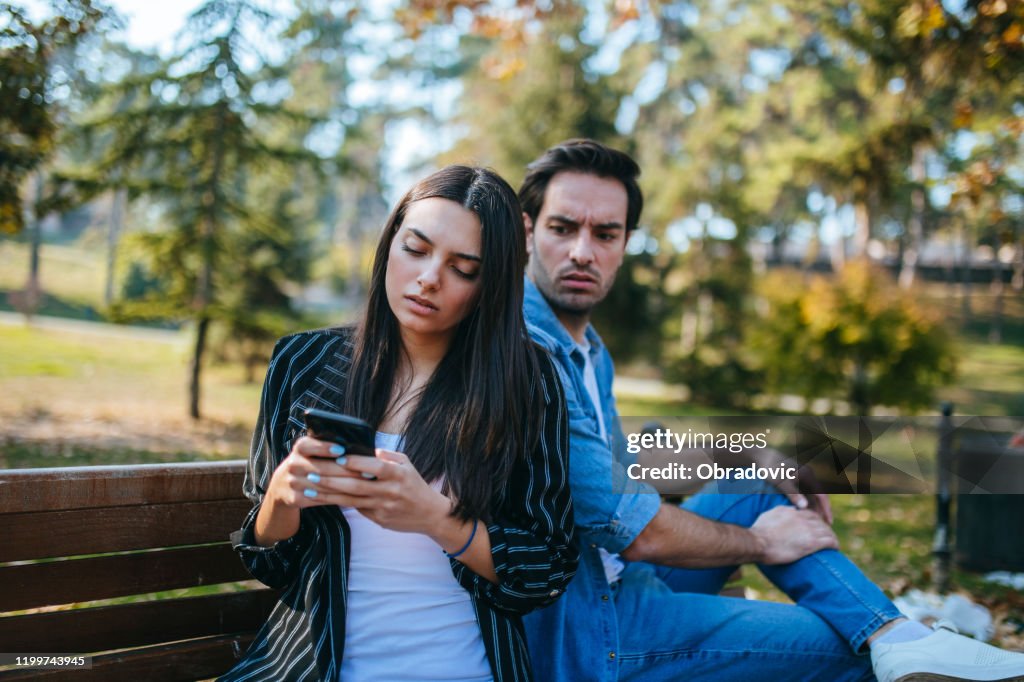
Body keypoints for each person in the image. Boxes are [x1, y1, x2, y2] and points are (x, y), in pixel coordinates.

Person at [518, 138, 1024, 682]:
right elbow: (634, 529)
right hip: (590, 630)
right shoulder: (525, 352)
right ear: (527, 232)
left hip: (626, 582)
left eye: (605, 233)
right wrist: (762, 541)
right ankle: (891, 642)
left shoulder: (590, 351)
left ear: (625, 243)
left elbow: (614, 470)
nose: (582, 251)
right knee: (843, 650)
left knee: (762, 483)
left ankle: (897, 636)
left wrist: (743, 451)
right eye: (563, 228)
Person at [222, 165, 578, 681]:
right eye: (416, 248)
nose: (429, 277)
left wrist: (435, 517)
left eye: (463, 268)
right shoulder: (303, 363)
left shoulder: (526, 382)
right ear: (390, 245)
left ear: (490, 286)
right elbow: (270, 565)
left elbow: (545, 569)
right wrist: (281, 497)